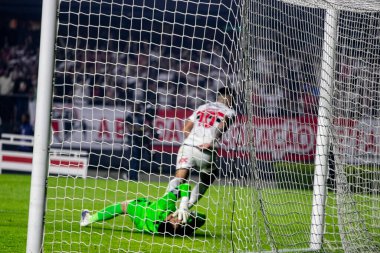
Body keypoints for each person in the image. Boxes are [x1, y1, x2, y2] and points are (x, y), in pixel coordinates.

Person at [165, 87, 236, 223]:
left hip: (187, 147)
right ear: (230, 98)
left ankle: (165, 208)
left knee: (179, 180)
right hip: (206, 151)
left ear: (219, 96)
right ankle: (186, 207)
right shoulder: (229, 111)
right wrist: (212, 141)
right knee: (209, 176)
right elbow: (223, 124)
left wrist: (193, 140)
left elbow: (185, 128)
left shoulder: (202, 107)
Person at [80, 183, 206, 236]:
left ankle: (88, 219)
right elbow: (203, 218)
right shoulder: (170, 224)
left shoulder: (162, 206)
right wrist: (191, 215)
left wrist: (183, 204)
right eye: (179, 223)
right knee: (196, 219)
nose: (179, 220)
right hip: (150, 226)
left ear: (168, 218)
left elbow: (184, 186)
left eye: (176, 222)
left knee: (124, 206)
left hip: (142, 215)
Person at [122, 102, 154, 181]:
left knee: (139, 159)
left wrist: (141, 129)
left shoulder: (142, 117)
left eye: (138, 106)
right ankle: (131, 176)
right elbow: (130, 128)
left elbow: (147, 127)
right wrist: (141, 129)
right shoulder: (129, 117)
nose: (136, 108)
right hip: (133, 140)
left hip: (141, 140)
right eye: (135, 106)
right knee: (134, 158)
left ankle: (134, 176)